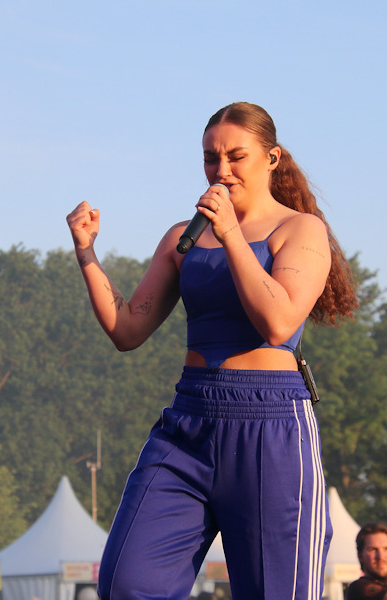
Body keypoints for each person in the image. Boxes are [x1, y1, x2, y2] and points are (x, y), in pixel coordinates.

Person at [66, 101, 358, 600]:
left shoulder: (301, 230)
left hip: (271, 426)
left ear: (271, 158)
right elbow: (127, 329)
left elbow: (278, 322)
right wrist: (86, 252)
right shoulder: (183, 238)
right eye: (210, 158)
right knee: (127, 583)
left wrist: (231, 235)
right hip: (189, 422)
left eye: (236, 157)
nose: (221, 170)